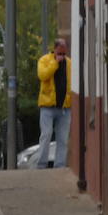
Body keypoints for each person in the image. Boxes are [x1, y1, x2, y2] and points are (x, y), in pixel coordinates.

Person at [35, 36, 73, 168]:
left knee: (62, 139)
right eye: (59, 53)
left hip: (65, 107)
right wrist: (55, 63)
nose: (62, 56)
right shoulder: (44, 60)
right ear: (54, 50)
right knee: (46, 135)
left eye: (64, 53)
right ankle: (41, 165)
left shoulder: (70, 63)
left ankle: (60, 165)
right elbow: (42, 75)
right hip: (47, 106)